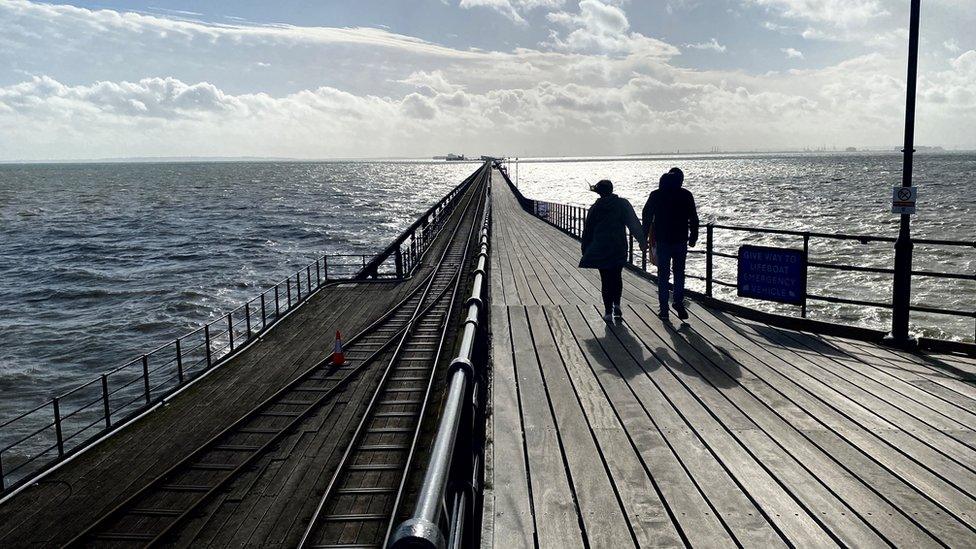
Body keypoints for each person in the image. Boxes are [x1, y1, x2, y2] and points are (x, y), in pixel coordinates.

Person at [580, 179, 646, 321]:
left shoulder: (595, 208)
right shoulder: (622, 204)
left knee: (605, 279)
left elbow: (588, 231)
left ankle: (608, 312)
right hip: (618, 245)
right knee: (617, 276)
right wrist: (642, 241)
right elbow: (633, 223)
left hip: (601, 247)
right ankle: (617, 304)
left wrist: (585, 248)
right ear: (611, 189)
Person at [642, 167, 699, 321]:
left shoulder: (656, 195)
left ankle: (664, 309)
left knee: (663, 275)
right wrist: (693, 236)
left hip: (662, 240)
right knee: (679, 273)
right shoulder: (686, 195)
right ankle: (678, 301)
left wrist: (643, 237)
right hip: (680, 240)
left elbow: (646, 215)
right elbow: (693, 217)